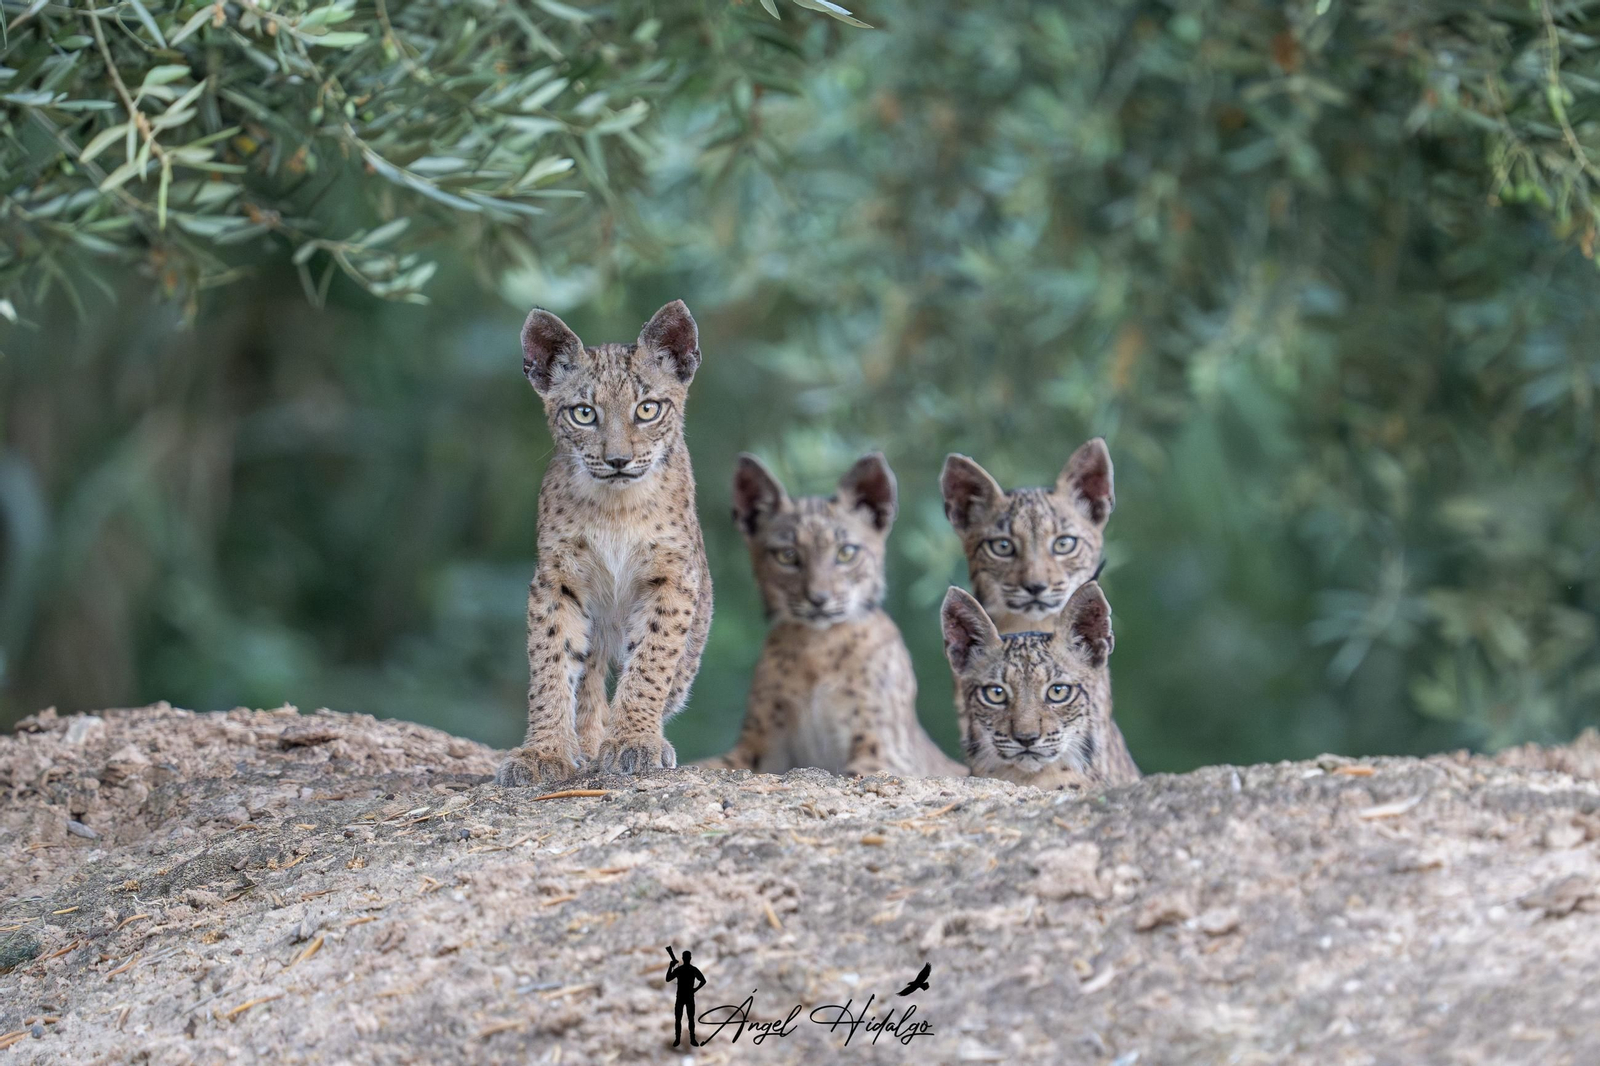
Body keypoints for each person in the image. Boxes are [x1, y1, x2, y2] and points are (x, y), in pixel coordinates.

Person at [665, 947, 706, 1047]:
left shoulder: (680, 969)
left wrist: (670, 966)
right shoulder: (693, 969)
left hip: (681, 997)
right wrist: (695, 989)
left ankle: (678, 1039)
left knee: (679, 1019)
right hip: (688, 997)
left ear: (683, 958)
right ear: (690, 958)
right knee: (689, 1019)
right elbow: (703, 981)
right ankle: (691, 1039)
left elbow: (668, 978)